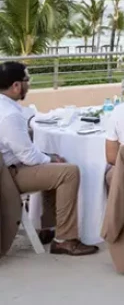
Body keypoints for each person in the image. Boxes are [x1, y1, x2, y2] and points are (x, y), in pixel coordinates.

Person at [0, 61, 98, 256]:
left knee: (52, 167)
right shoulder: (9, 115)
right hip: (7, 176)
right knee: (68, 172)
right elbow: (28, 156)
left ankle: (49, 229)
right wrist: (51, 158)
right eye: (27, 80)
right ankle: (65, 239)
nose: (29, 85)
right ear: (16, 86)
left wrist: (48, 159)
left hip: (8, 167)